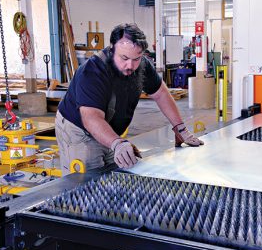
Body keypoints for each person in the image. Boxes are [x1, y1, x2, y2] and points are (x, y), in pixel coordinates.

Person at [55, 23, 203, 173]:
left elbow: (161, 94)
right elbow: (91, 118)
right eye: (124, 58)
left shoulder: (142, 65)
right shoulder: (93, 72)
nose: (130, 65)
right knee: (88, 180)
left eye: (136, 59)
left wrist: (180, 128)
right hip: (80, 131)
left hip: (109, 127)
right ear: (112, 49)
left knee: (116, 174)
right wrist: (117, 143)